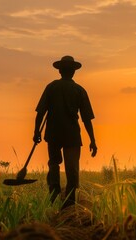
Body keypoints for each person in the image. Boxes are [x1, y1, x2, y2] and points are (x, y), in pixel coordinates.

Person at [33, 55, 97, 209]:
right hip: (72, 136)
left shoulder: (51, 87)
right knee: (72, 169)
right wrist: (92, 140)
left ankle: (54, 191)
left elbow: (40, 113)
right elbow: (86, 119)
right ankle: (69, 204)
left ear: (60, 71)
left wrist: (36, 132)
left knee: (54, 163)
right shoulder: (79, 90)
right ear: (73, 72)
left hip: (54, 133)